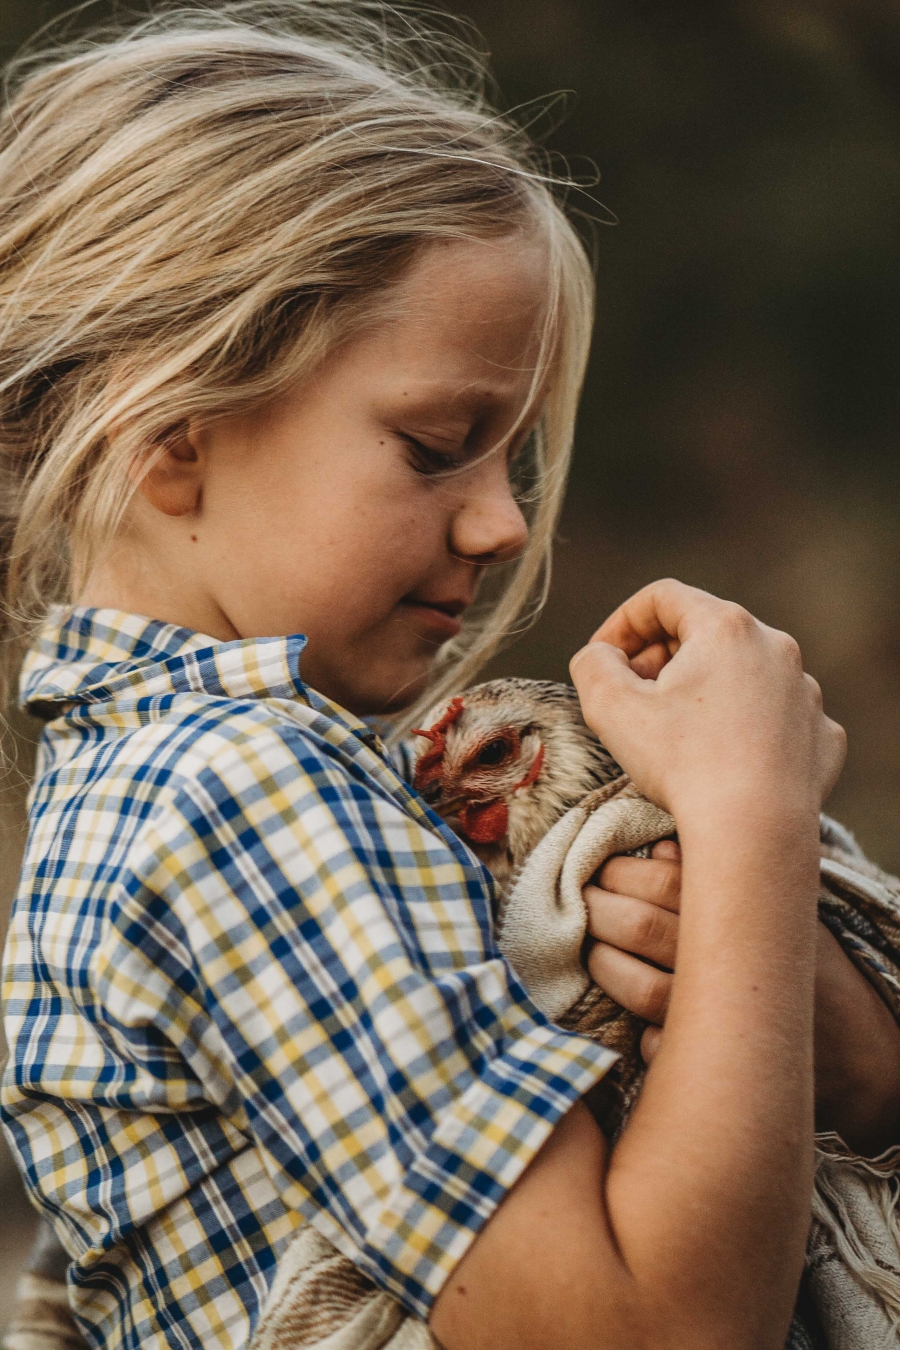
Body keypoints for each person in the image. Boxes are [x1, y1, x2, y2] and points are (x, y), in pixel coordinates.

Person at [0, 6, 895, 1349]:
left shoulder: (164, 782)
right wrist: (751, 815)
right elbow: (648, 1334)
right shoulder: (240, 791)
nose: (505, 525)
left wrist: (786, 999)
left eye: (514, 457)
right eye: (436, 445)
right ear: (171, 437)